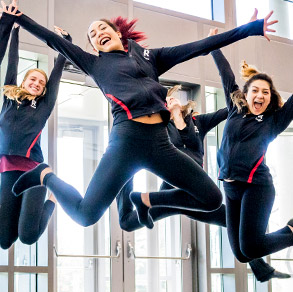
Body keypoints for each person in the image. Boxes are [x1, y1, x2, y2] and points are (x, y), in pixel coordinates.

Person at [9, 4, 277, 231]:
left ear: (117, 33)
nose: (98, 33)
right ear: (93, 46)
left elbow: (201, 46)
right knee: (85, 215)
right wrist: (17, 16)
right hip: (125, 143)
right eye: (92, 34)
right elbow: (51, 39)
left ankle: (147, 200)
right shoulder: (94, 64)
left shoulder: (150, 57)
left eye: (103, 28)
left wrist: (250, 29)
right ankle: (44, 175)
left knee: (211, 198)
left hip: (160, 144)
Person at [116, 84, 290, 282]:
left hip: (198, 193)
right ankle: (122, 179)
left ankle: (261, 268)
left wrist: (255, 96)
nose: (170, 100)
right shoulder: (160, 128)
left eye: (171, 97)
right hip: (173, 190)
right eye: (164, 101)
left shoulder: (198, 122)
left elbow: (231, 108)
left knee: (235, 222)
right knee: (127, 223)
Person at [208, 12, 293, 263]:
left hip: (257, 187)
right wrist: (214, 44)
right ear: (245, 94)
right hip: (230, 187)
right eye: (255, 90)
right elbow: (226, 74)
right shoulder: (235, 108)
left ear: (270, 98)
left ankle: (291, 231)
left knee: (252, 247)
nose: (260, 95)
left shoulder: (274, 121)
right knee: (242, 255)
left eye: (265, 92)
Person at [0, 2, 71, 249]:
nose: (37, 83)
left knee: (28, 237)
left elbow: (56, 77)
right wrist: (16, 30)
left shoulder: (43, 105)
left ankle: (53, 199)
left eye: (41, 82)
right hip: (7, 171)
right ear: (24, 81)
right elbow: (11, 62)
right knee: (4, 240)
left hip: (34, 171)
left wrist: (66, 43)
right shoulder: (9, 98)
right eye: (33, 78)